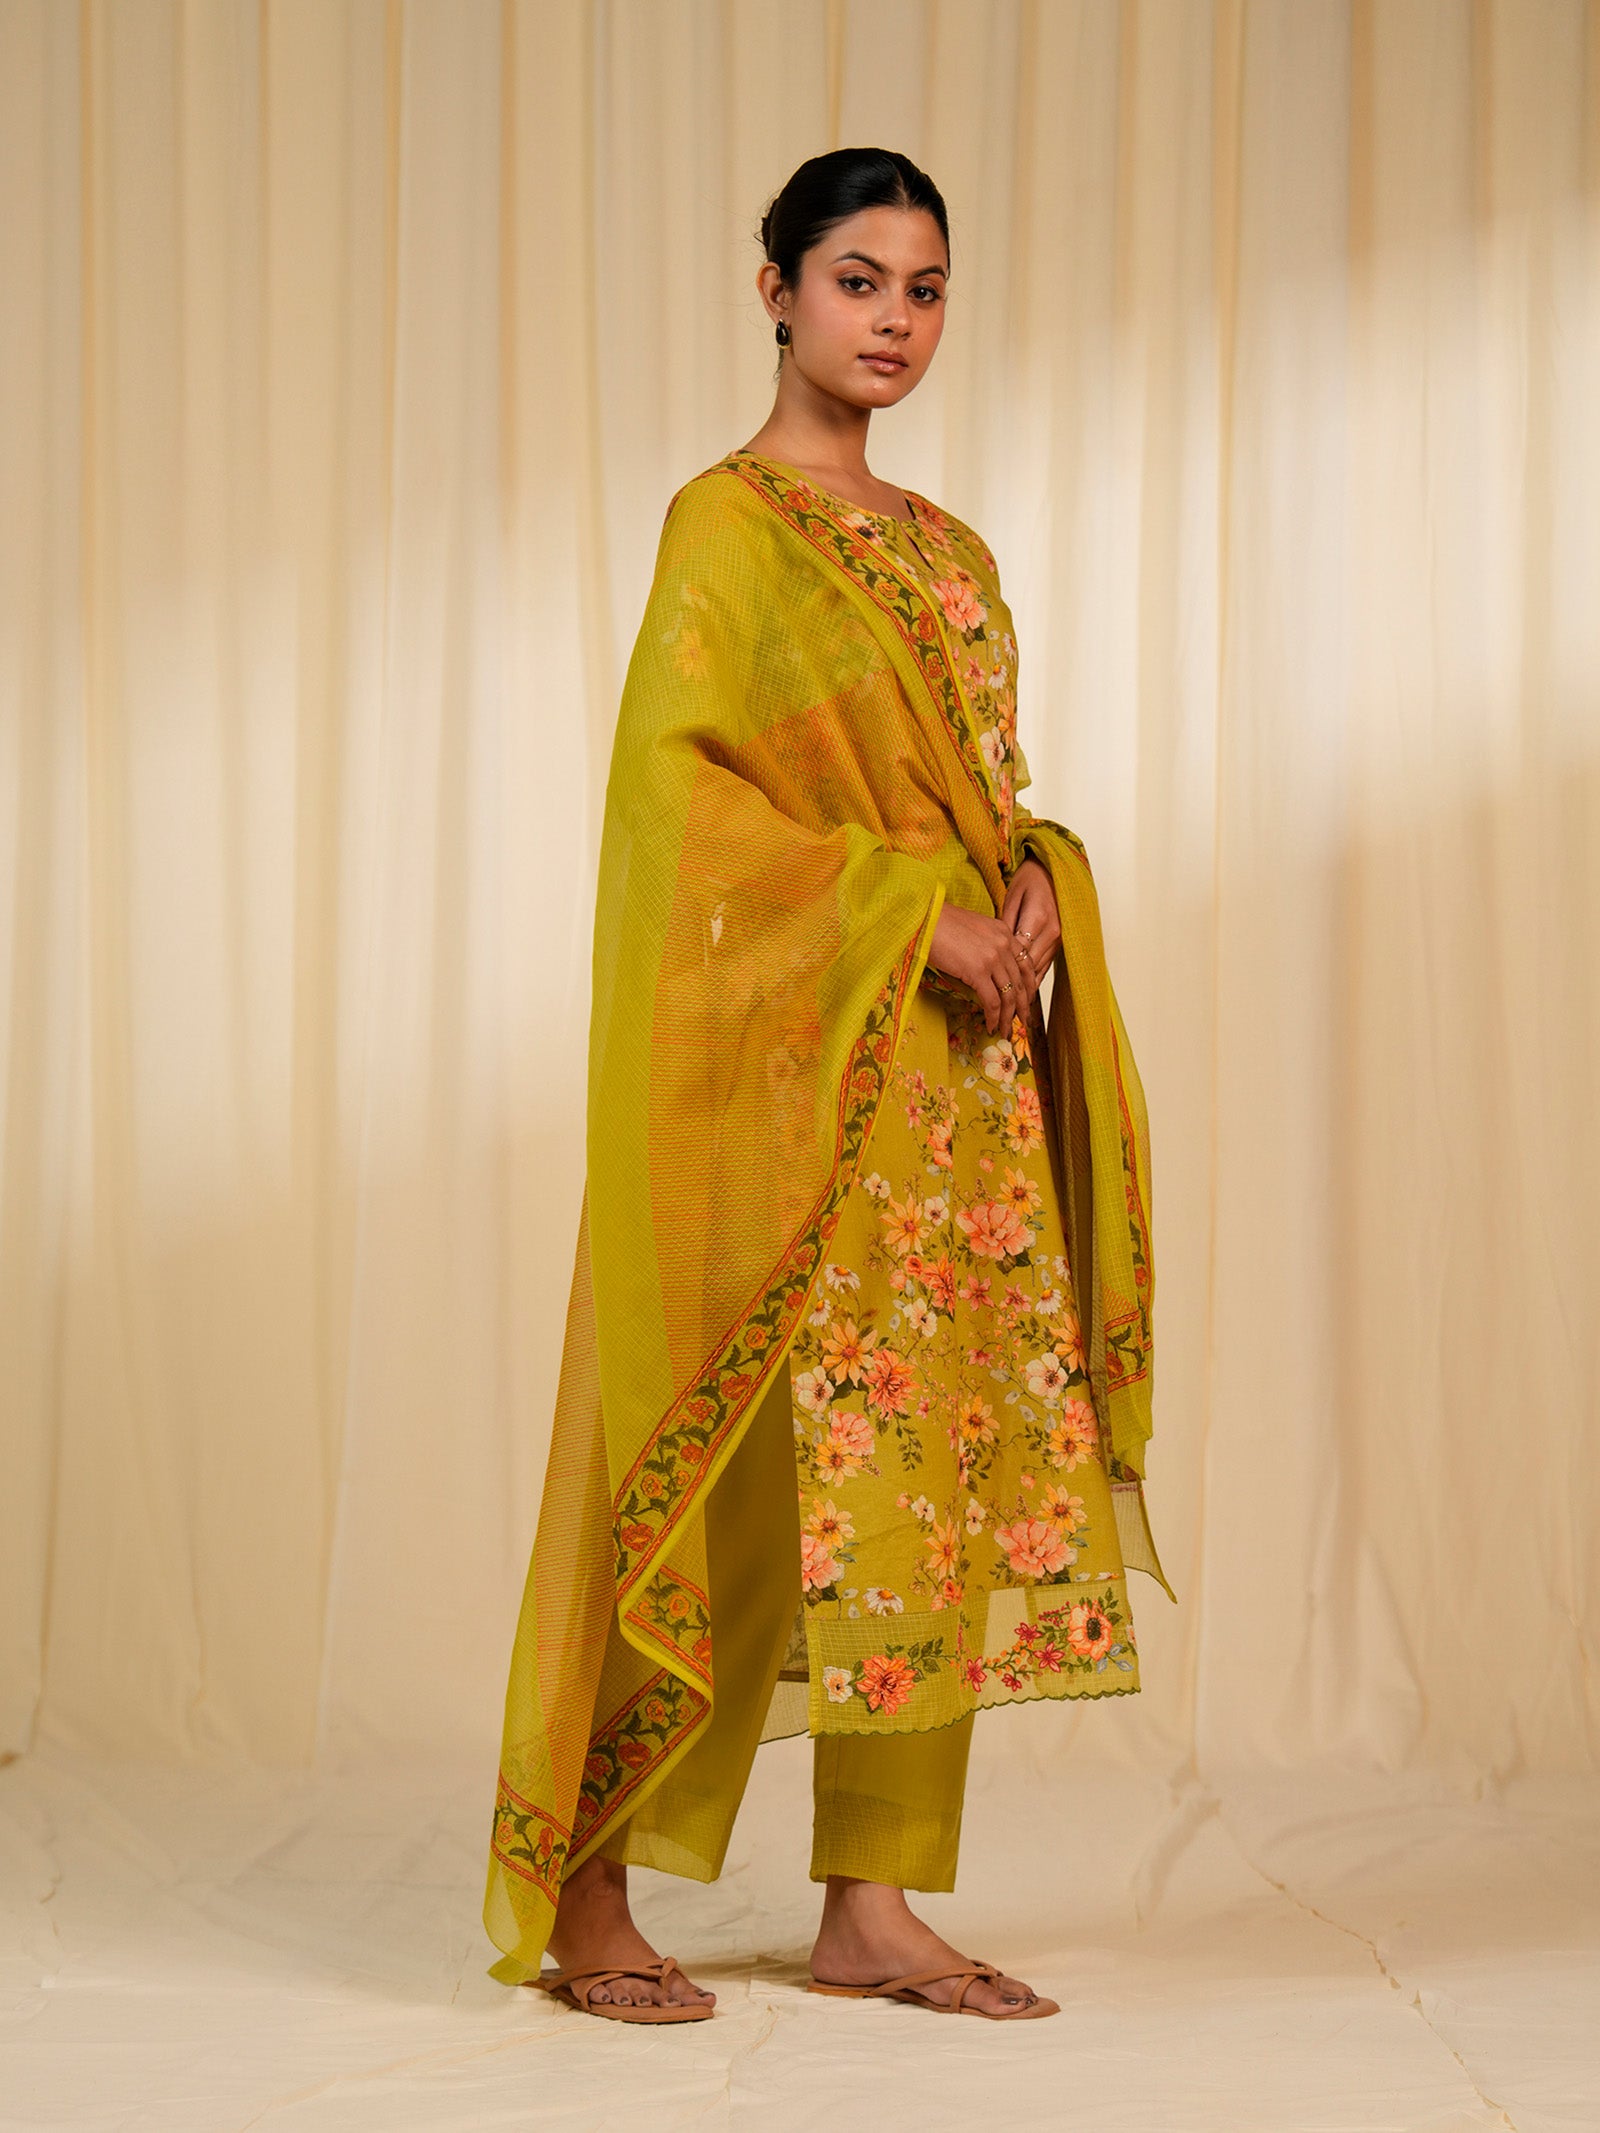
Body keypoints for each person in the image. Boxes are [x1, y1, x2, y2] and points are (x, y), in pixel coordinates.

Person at [483, 146, 1172, 2026]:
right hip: (808, 1071)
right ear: (776, 288)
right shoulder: (725, 528)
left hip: (960, 1092)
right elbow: (677, 808)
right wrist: (898, 915)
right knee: (716, 1457)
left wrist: (1036, 880)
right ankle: (591, 1886)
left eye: (926, 289)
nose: (895, 320)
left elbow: (974, 792)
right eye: (859, 280)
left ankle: (872, 1901)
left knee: (920, 1477)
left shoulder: (954, 552)